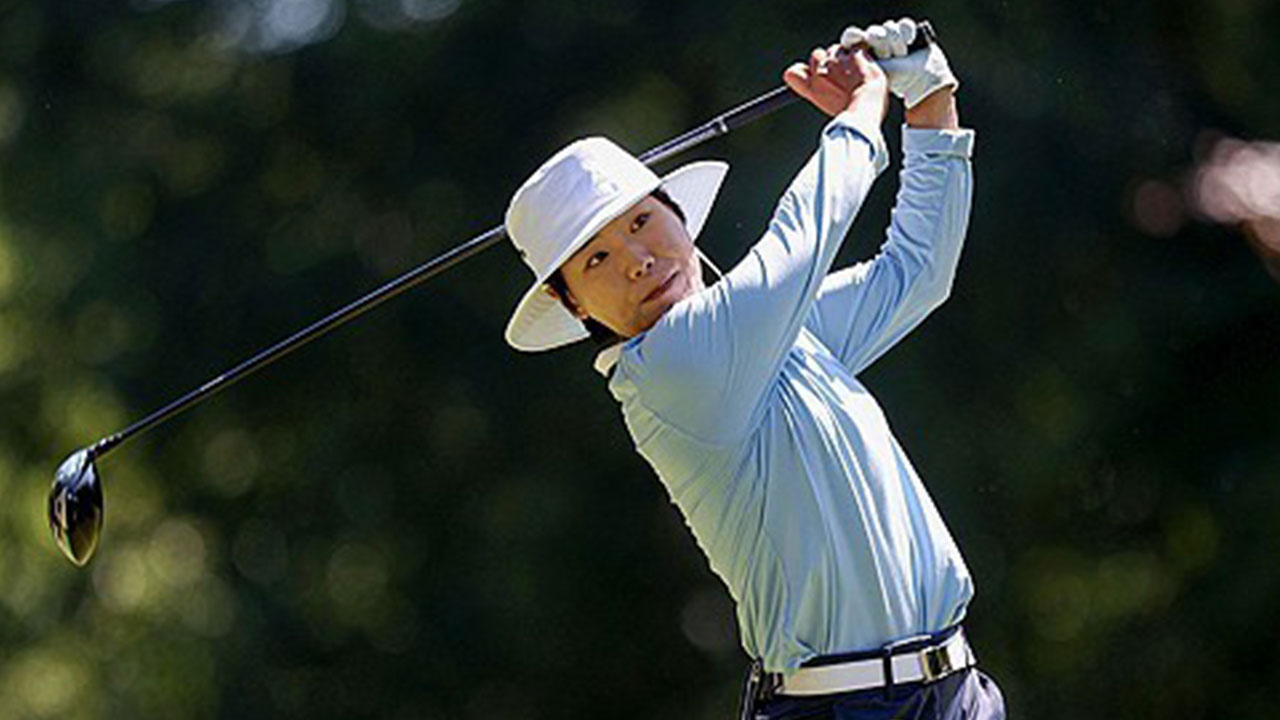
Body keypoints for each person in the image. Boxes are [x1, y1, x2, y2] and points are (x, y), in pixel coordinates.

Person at [503, 17, 1004, 720]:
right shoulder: (668, 371)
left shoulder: (774, 336)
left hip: (956, 692)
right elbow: (797, 244)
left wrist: (930, 105)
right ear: (574, 306)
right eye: (596, 261)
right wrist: (863, 113)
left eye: (642, 224)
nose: (637, 261)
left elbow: (916, 273)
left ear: (678, 214)